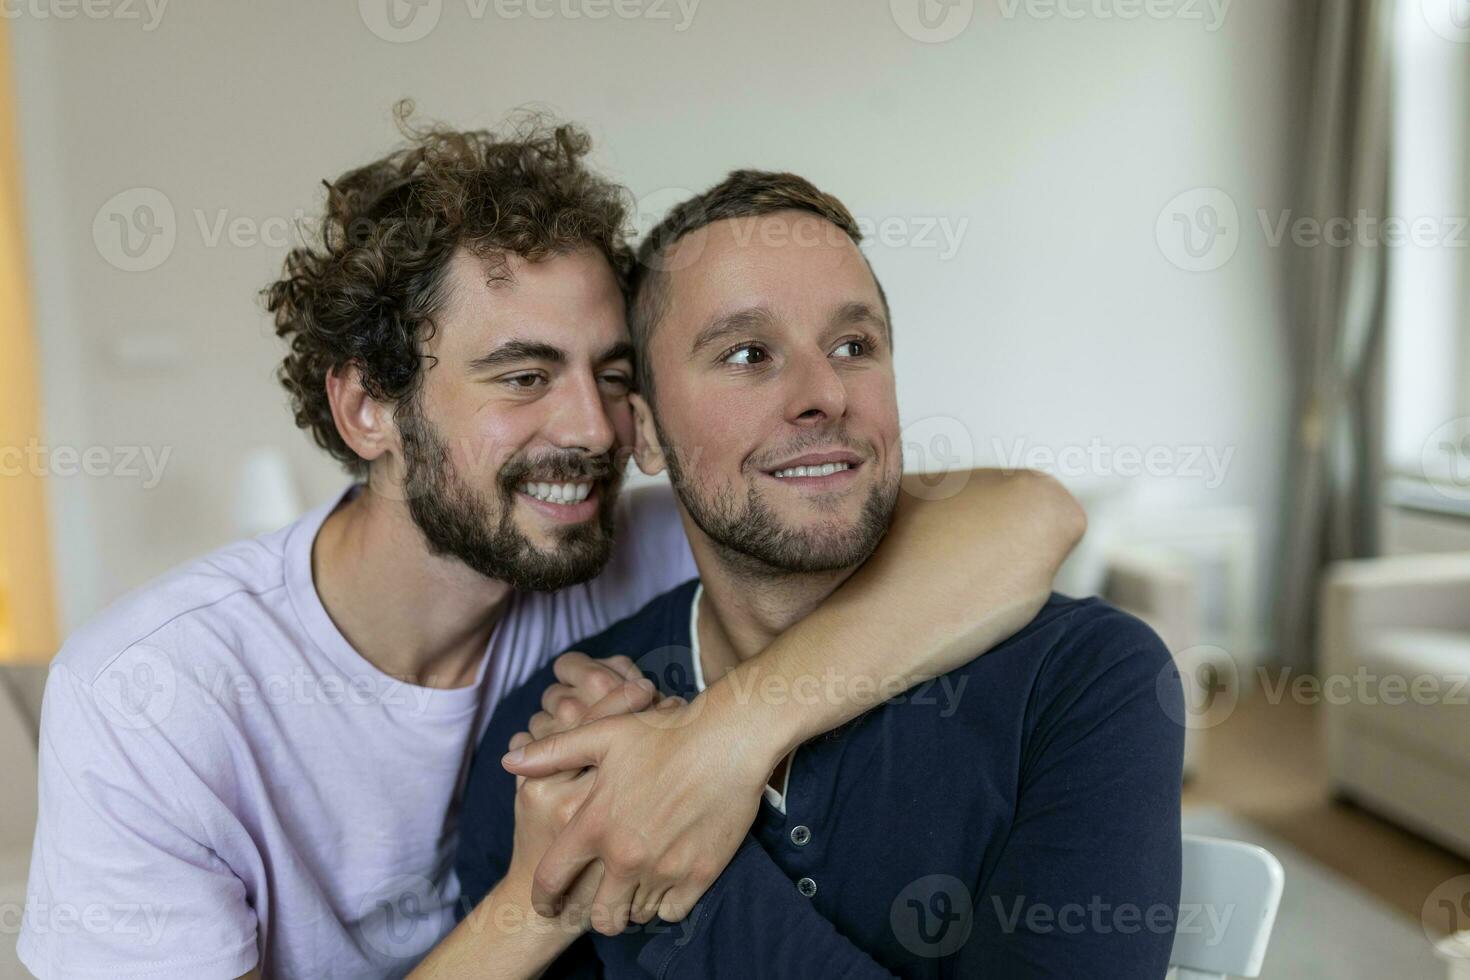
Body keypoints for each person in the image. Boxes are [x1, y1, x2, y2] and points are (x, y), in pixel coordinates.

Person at [18, 111, 1083, 980]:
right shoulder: (148, 696)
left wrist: (719, 743)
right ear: (367, 409)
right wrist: (543, 890)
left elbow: (1030, 518)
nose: (591, 428)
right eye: (523, 376)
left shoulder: (636, 555)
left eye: (613, 376)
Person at [454, 170, 1184, 978]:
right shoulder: (556, 739)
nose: (825, 393)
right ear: (647, 434)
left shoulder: (1085, 683)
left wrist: (663, 839)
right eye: (747, 353)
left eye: (853, 346)